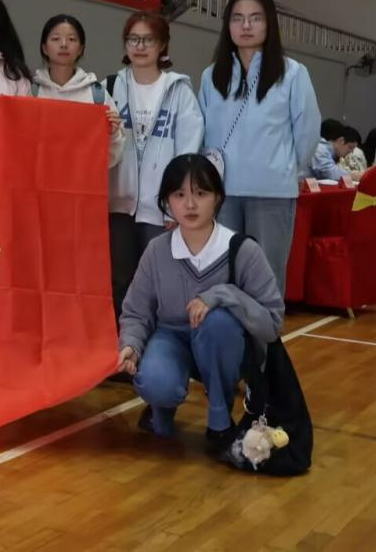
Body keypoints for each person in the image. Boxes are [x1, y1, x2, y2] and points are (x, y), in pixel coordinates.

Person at [117, 154, 284, 449]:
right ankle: (159, 412)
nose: (190, 204)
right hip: (172, 339)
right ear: (167, 201)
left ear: (217, 197)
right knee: (155, 380)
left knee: (218, 322)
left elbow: (271, 323)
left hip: (223, 345)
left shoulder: (243, 251)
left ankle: (219, 419)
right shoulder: (157, 251)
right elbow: (136, 312)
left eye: (201, 193)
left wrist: (224, 295)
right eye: (179, 195)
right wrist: (131, 344)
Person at [198, 0, 320, 296]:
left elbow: (307, 132)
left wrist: (286, 170)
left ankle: (266, 330)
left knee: (266, 277)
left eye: (255, 18)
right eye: (237, 18)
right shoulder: (211, 76)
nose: (246, 26)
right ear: (227, 25)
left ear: (269, 24)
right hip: (223, 194)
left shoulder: (292, 74)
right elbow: (202, 133)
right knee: (223, 275)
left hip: (272, 192)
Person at [107, 11, 205, 319]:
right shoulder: (109, 87)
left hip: (160, 209)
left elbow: (188, 154)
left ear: (162, 45)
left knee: (159, 282)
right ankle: (124, 342)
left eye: (148, 39)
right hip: (117, 204)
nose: (140, 46)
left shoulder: (180, 92)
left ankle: (157, 342)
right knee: (120, 281)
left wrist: (175, 204)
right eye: (133, 39)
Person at [31, 14, 125, 165]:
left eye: (72, 39)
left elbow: (111, 160)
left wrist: (113, 134)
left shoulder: (97, 95)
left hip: (82, 179)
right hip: (37, 178)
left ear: (81, 48)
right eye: (55, 39)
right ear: (44, 48)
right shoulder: (31, 92)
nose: (63, 44)